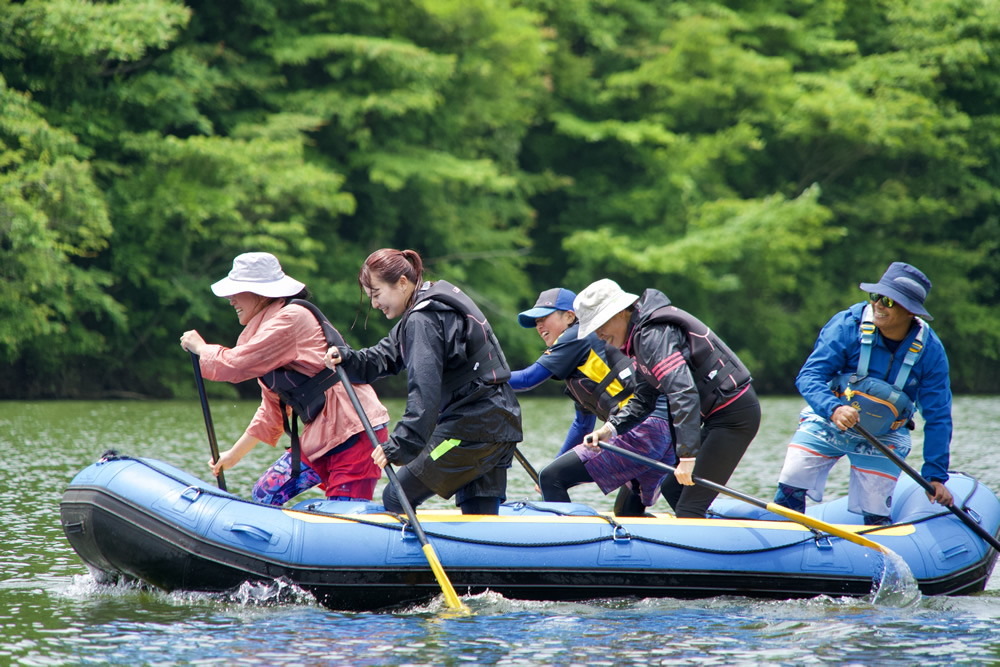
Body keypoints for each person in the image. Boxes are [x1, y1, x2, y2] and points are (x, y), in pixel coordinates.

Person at [180, 252, 391, 505]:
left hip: (356, 429)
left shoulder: (290, 319)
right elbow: (272, 413)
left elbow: (234, 366)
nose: (230, 300)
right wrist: (234, 455)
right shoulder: (264, 334)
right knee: (265, 493)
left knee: (343, 514)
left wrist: (202, 348)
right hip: (324, 433)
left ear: (260, 293)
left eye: (237, 291)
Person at [323, 248, 522, 515]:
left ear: (402, 283)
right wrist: (346, 359)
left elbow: (424, 393)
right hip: (496, 425)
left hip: (472, 431)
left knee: (396, 496)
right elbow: (382, 358)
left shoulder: (423, 318)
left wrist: (400, 444)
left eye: (377, 294)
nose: (374, 304)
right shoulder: (424, 309)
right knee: (478, 513)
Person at [772, 262, 954, 525]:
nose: (879, 305)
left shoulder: (931, 351)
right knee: (793, 478)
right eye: (876, 296)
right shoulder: (847, 325)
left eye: (889, 301)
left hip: (886, 434)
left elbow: (938, 416)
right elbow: (809, 376)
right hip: (829, 417)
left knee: (876, 514)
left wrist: (935, 476)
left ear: (911, 312)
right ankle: (785, 531)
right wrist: (833, 408)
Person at [576, 279, 761, 519]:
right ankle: (705, 530)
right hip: (717, 418)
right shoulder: (640, 339)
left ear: (621, 312)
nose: (598, 334)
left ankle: (705, 538)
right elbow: (644, 398)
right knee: (672, 487)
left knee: (688, 506)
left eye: (600, 324)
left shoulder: (653, 335)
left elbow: (682, 392)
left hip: (735, 416)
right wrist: (609, 429)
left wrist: (687, 456)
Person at [510, 288, 676, 515]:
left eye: (545, 318)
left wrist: (479, 377)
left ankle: (566, 544)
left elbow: (527, 379)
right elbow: (582, 424)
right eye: (536, 322)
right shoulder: (585, 360)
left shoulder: (575, 335)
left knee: (552, 478)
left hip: (643, 429)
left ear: (570, 316)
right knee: (627, 513)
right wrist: (557, 462)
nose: (539, 326)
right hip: (666, 431)